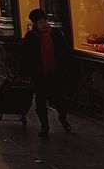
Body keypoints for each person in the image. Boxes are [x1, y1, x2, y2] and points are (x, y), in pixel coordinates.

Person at [21, 8, 72, 137]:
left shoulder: (55, 33)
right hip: (39, 75)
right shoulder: (30, 37)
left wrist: (64, 69)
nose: (43, 25)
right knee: (40, 102)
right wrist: (27, 72)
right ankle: (45, 126)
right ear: (35, 24)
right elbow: (26, 56)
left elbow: (64, 52)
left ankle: (63, 119)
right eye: (40, 23)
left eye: (44, 22)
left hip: (56, 73)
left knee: (60, 100)